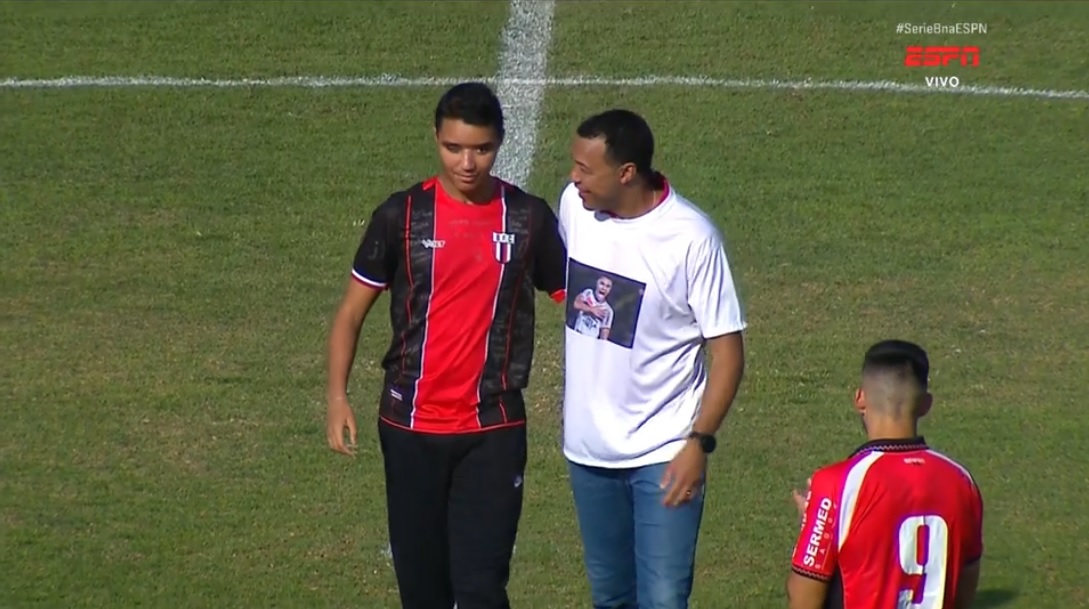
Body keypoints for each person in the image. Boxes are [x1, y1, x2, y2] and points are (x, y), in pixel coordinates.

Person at [324, 81, 567, 609]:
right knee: (423, 592)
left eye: (480, 149)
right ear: (436, 138)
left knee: (482, 590)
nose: (467, 162)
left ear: (498, 143)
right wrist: (337, 396)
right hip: (410, 428)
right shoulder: (402, 217)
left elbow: (580, 304)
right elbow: (350, 313)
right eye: (453, 148)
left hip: (493, 429)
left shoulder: (527, 219)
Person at [556, 108, 747, 609]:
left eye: (584, 168)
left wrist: (698, 443)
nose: (574, 179)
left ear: (627, 173)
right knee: (610, 597)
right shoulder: (575, 209)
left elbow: (727, 351)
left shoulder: (690, 238)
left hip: (664, 453)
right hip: (588, 452)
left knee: (663, 599)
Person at [786, 340, 984, 609]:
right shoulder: (962, 483)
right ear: (926, 405)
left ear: (860, 399)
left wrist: (813, 524)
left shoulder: (837, 485)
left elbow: (803, 598)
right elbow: (963, 593)